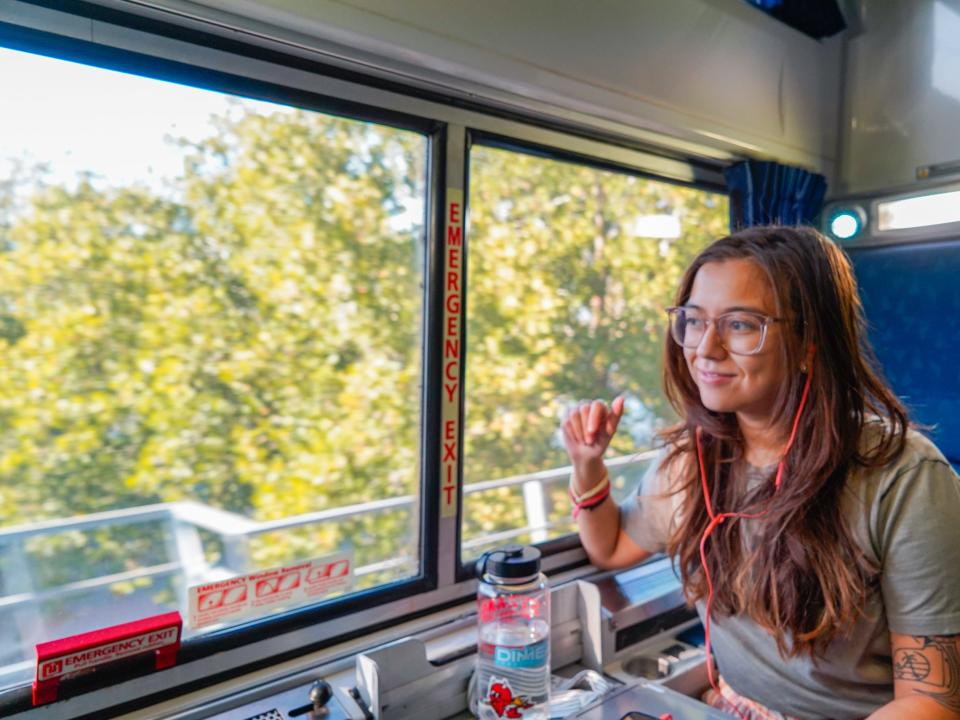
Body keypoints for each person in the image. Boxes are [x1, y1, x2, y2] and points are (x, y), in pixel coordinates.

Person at [562, 226, 960, 720]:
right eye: (693, 320)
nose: (705, 349)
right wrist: (587, 462)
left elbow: (932, 700)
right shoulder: (693, 461)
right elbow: (612, 546)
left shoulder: (906, 478)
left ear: (809, 342)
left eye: (741, 325)